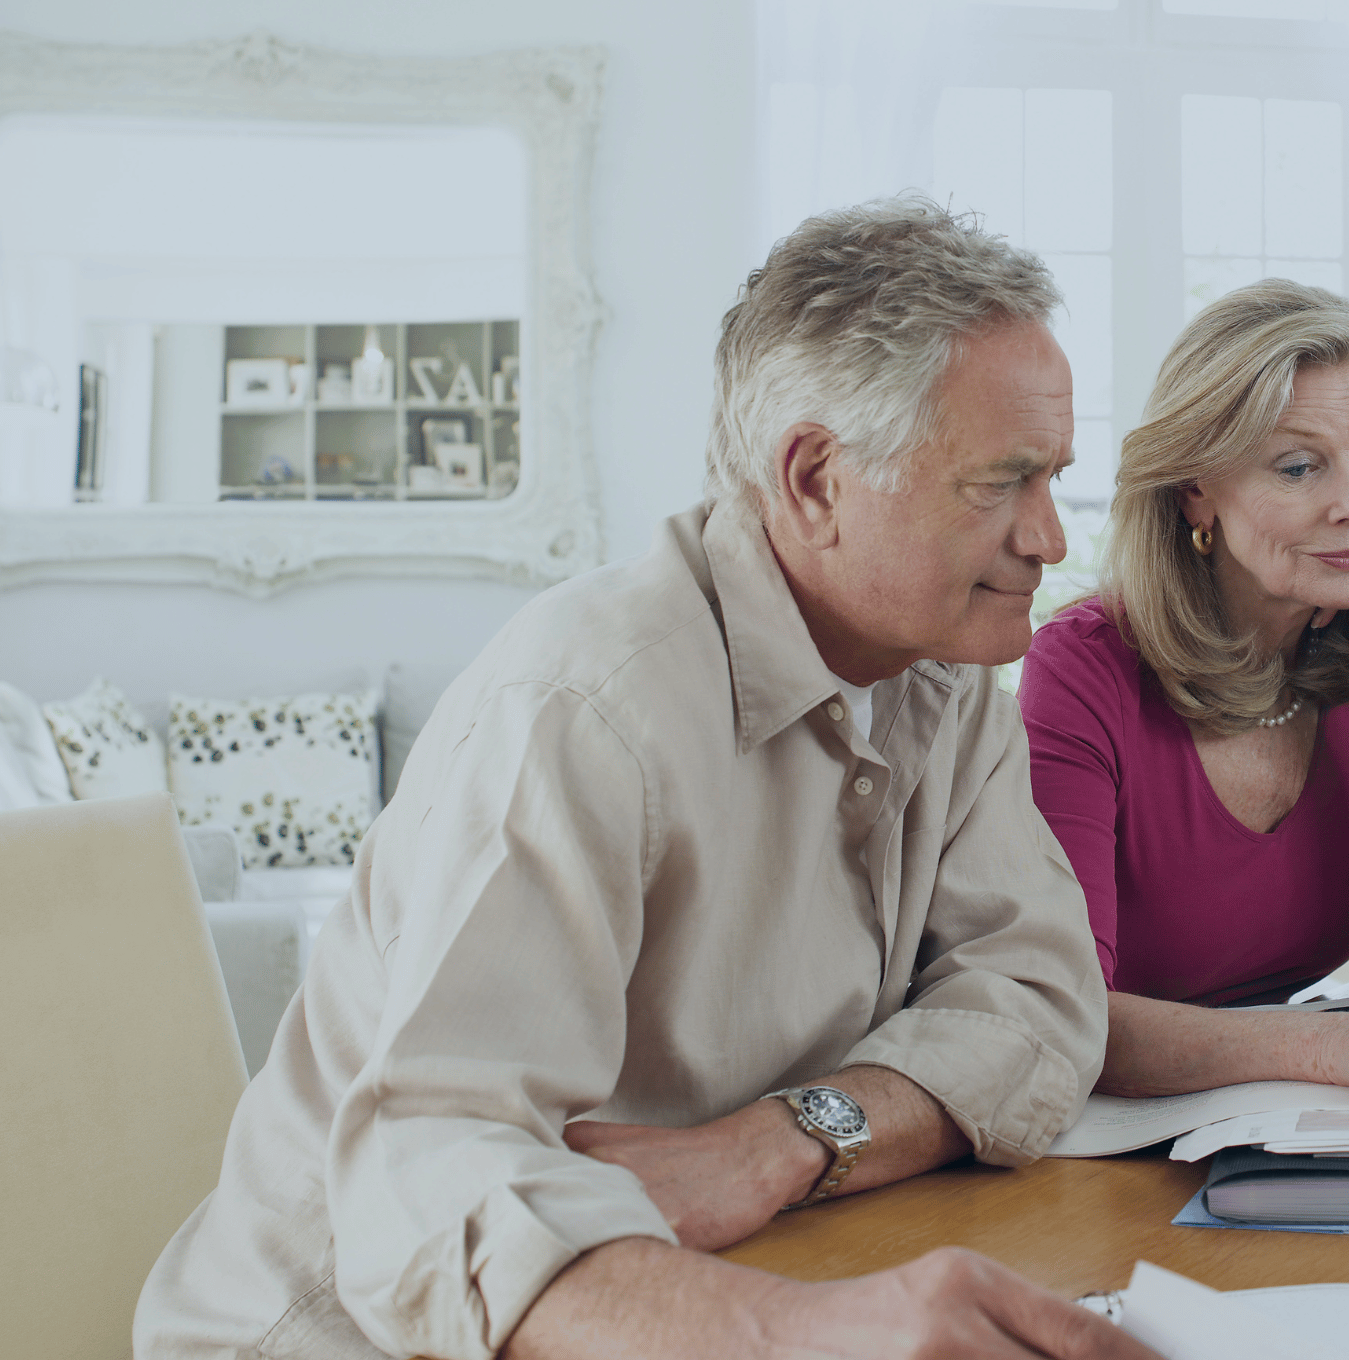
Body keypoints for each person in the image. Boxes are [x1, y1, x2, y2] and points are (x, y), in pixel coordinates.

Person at [136, 199, 1155, 1360]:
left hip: (711, 1283)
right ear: (816, 479)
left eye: (1053, 477)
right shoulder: (583, 708)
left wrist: (788, 1140)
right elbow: (431, 1178)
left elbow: (1039, 999)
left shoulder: (948, 676)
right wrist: (805, 1332)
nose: (1049, 538)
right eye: (1002, 482)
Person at [1017, 281, 1349, 1105]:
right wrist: (1335, 1046)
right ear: (1195, 489)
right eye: (1298, 467)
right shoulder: (1081, 669)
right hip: (1103, 1132)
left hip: (1267, 1111)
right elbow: (1062, 1018)